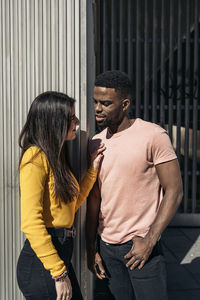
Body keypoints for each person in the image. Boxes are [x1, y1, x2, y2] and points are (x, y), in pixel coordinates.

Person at [86, 70, 183, 300]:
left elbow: (175, 191)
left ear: (125, 104)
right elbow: (94, 200)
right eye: (96, 102)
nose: (98, 108)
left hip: (140, 246)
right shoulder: (95, 143)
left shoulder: (153, 135)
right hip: (107, 247)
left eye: (106, 103)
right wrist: (91, 249)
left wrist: (150, 240)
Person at [16, 91, 105, 300]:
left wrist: (92, 171)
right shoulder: (35, 158)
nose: (77, 122)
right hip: (43, 264)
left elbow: (69, 206)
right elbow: (31, 224)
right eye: (71, 118)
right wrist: (59, 273)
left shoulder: (55, 156)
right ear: (54, 121)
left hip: (59, 257)